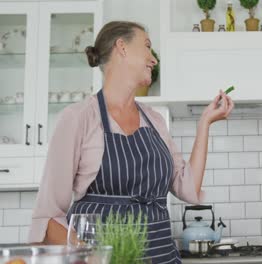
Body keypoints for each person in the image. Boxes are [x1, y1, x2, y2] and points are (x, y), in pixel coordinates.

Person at [29, 21, 234, 263]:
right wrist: (93, 257)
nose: (153, 59)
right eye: (147, 46)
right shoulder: (79, 118)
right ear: (122, 47)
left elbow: (188, 188)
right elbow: (48, 217)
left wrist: (204, 124)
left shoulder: (155, 121)